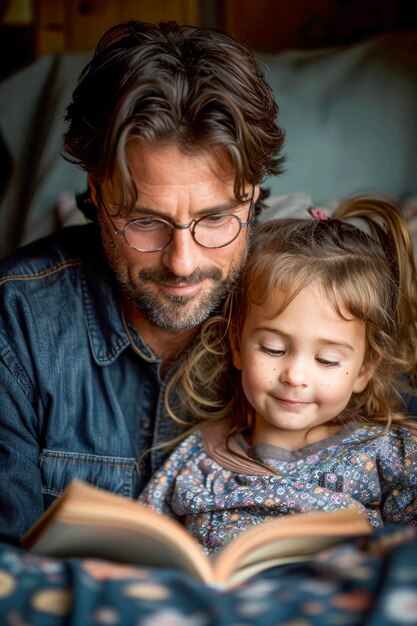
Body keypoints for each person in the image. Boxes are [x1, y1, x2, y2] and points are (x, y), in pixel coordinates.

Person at [0, 19, 285, 544]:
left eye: (216, 219)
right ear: (97, 188)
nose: (182, 262)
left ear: (252, 193)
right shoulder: (15, 324)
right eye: (145, 221)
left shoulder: (321, 302)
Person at [140, 196, 417, 555]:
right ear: (238, 346)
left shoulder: (391, 456)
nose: (295, 376)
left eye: (328, 360)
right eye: (273, 349)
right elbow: (143, 543)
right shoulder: (198, 458)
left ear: (364, 369)